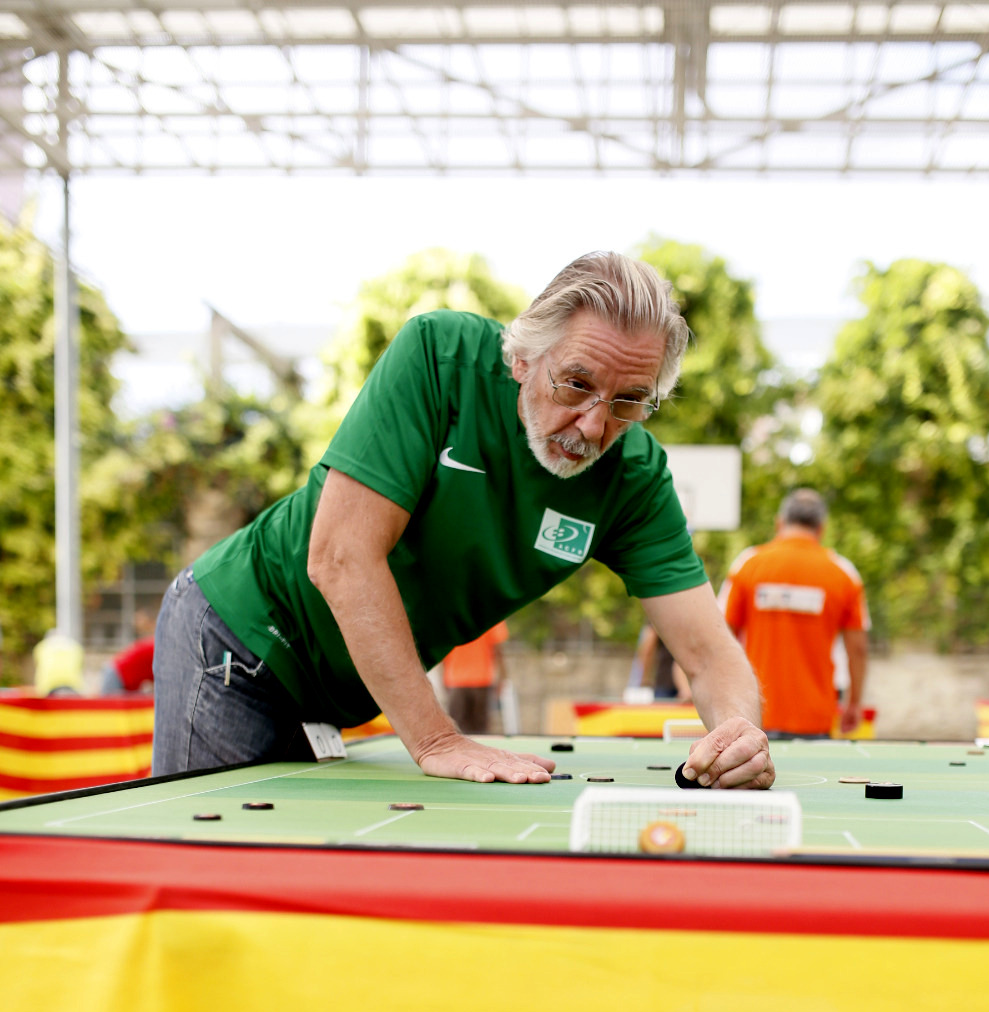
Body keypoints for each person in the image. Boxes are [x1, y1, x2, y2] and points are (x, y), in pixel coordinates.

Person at [153, 252, 773, 792]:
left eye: (628, 401)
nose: (592, 426)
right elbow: (340, 557)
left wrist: (737, 731)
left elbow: (708, 652)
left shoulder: (635, 478)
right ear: (524, 358)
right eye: (576, 384)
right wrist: (436, 740)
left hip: (336, 694)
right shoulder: (438, 356)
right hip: (239, 634)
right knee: (202, 881)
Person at [719, 488, 869, 738]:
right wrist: (854, 703)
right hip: (815, 719)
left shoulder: (748, 564)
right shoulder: (843, 573)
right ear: (821, 528)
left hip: (753, 715)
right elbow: (858, 649)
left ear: (780, 522)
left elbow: (721, 637)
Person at [443, 622, 509, 734]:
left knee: (457, 730)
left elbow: (443, 650)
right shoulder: (490, 613)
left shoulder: (451, 613)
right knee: (480, 731)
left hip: (459, 681)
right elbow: (498, 650)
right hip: (479, 680)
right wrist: (502, 678)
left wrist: (444, 679)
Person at [99, 608, 157, 696]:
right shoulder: (153, 645)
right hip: (117, 675)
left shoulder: (151, 643)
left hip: (119, 675)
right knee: (110, 707)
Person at [630, 624, 692, 701]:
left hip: (667, 685)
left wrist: (644, 680)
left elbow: (647, 648)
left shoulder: (661, 614)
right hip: (687, 684)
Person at [32, 629, 84, 696]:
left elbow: (37, 664)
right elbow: (80, 666)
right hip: (73, 685)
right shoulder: (76, 647)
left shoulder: (41, 647)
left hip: (47, 686)